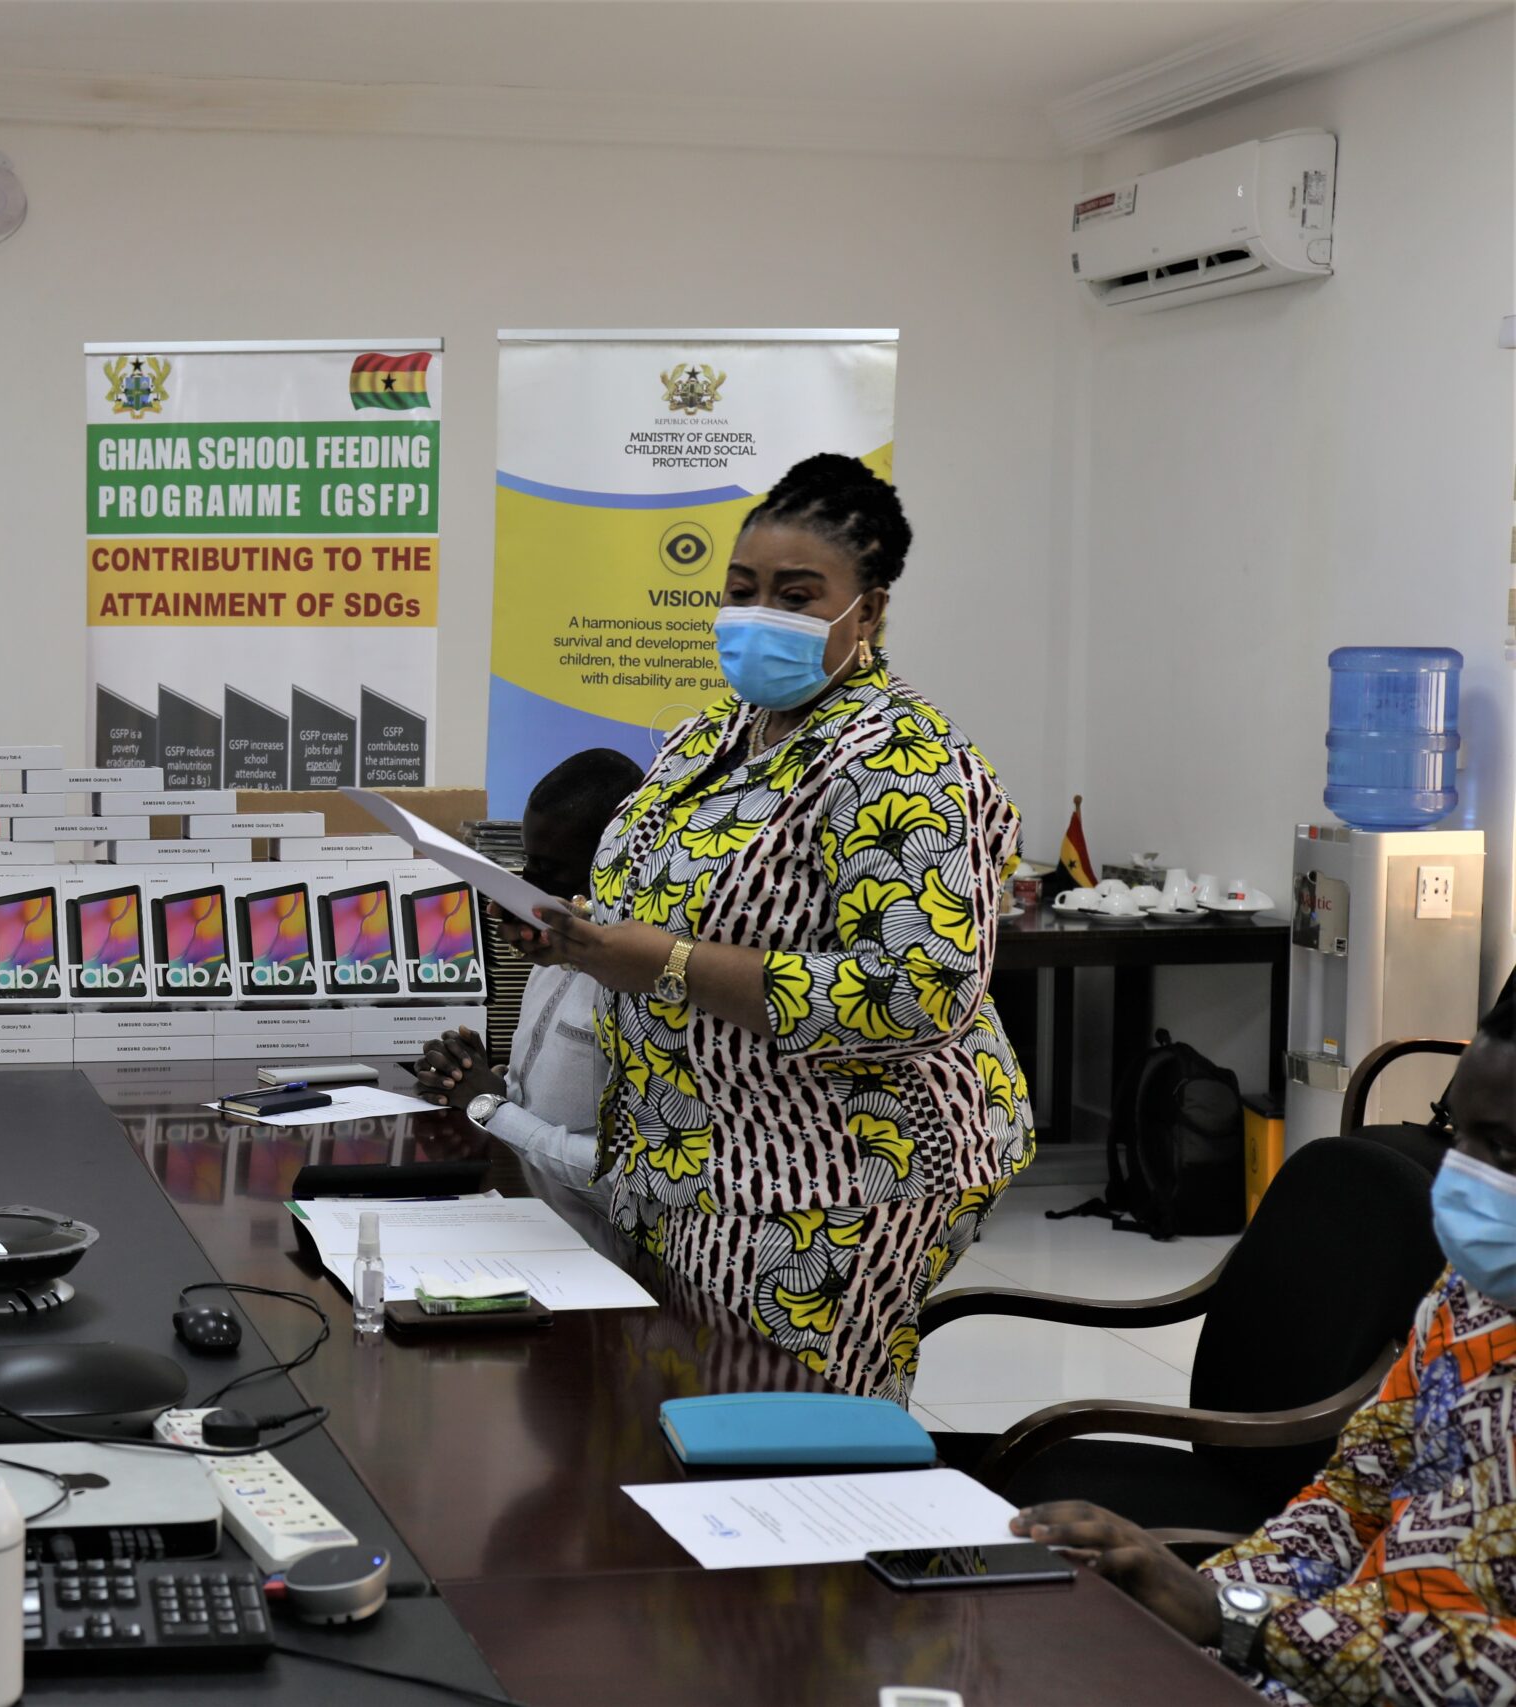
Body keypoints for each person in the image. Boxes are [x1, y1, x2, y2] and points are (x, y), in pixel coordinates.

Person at [518, 454, 1034, 1403]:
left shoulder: (901, 762)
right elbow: (672, 906)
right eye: (742, 590)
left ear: (867, 612)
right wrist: (582, 938)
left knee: (787, 1437)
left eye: (797, 597)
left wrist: (666, 963)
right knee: (690, 1417)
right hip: (695, 1158)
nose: (760, 615)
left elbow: (919, 993)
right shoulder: (714, 735)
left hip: (837, 1174)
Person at [1015, 984, 1516, 1707]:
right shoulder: (1472, 1297)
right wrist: (1198, 1602)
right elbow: (1353, 1494)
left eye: (1502, 1148)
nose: (1460, 1174)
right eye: (1458, 1133)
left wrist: (1237, 1622)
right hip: (1329, 1654)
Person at [413, 748, 644, 1246]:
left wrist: (490, 1107)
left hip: (604, 1259)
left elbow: (629, 1181)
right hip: (523, 1219)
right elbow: (541, 1109)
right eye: (526, 863)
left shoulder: (642, 984)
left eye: (552, 870)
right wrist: (475, 1077)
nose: (530, 889)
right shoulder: (548, 957)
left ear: (615, 861)